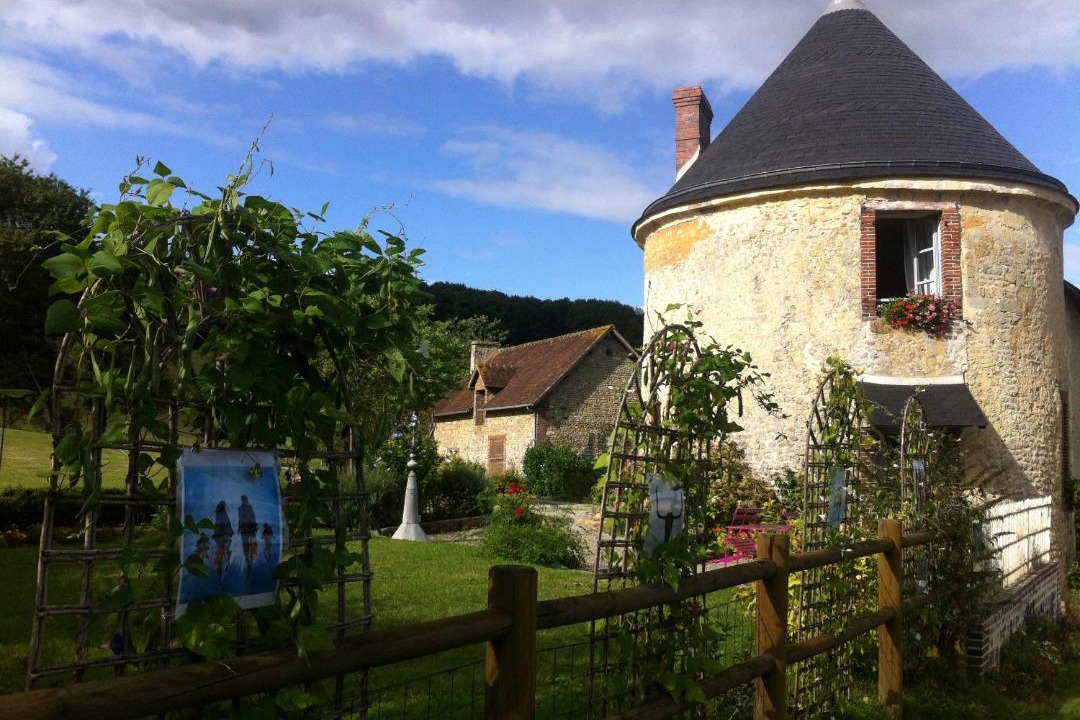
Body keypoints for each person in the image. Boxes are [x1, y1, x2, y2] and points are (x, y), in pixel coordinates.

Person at [212, 500, 234, 585]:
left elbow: (219, 526)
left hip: (222, 538)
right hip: (224, 537)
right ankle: (227, 558)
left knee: (220, 555)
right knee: (222, 553)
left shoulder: (220, 514)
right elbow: (226, 526)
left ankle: (220, 576)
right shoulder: (223, 514)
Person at [238, 494, 258, 571]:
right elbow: (253, 517)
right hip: (248, 528)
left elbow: (252, 517)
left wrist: (240, 528)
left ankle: (249, 559)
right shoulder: (247, 507)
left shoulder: (242, 508)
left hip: (246, 529)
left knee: (247, 544)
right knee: (248, 544)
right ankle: (249, 559)